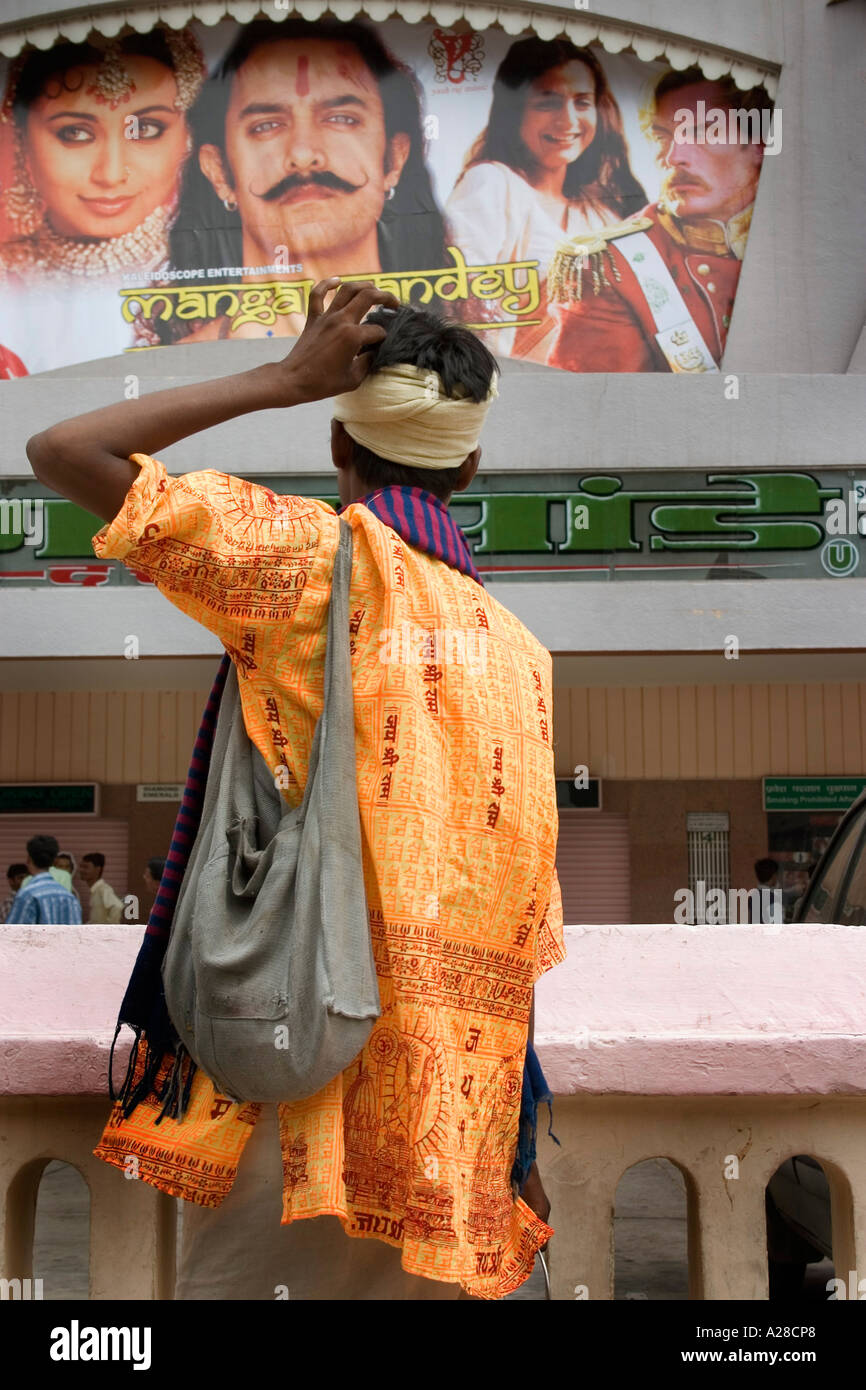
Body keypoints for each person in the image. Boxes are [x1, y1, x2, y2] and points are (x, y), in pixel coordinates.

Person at [27, 278, 565, 1300]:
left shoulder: (303, 566)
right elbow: (517, 914)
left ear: (337, 445)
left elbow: (64, 450)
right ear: (470, 462)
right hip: (461, 1107)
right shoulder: (516, 652)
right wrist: (516, 1130)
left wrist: (278, 378)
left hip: (304, 1064)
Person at [167, 17, 448, 343]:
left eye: (341, 119)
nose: (302, 154)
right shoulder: (187, 365)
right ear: (218, 172)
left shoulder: (446, 351)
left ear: (394, 160)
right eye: (266, 125)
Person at [546, 67, 772, 372]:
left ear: (760, 144)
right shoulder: (609, 266)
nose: (672, 156)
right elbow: (597, 405)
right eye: (662, 137)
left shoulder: (805, 241)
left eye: (700, 132)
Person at [446, 37, 645, 360]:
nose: (567, 121)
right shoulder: (492, 183)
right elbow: (460, 303)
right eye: (547, 102)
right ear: (515, 111)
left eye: (581, 102)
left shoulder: (602, 213)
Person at [0, 28, 204, 283]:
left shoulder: (215, 263)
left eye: (144, 129)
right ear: (22, 138)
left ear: (188, 136)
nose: (111, 175)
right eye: (74, 133)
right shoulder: (7, 278)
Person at [5, 835, 82, 924]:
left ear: (29, 859)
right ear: (53, 861)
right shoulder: (70, 898)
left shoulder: (27, 895)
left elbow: (15, 932)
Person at [79, 852, 124, 923]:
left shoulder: (103, 889)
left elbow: (117, 906)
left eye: (86, 867)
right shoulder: (95, 890)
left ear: (98, 869)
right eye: (81, 866)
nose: (81, 870)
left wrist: (110, 929)